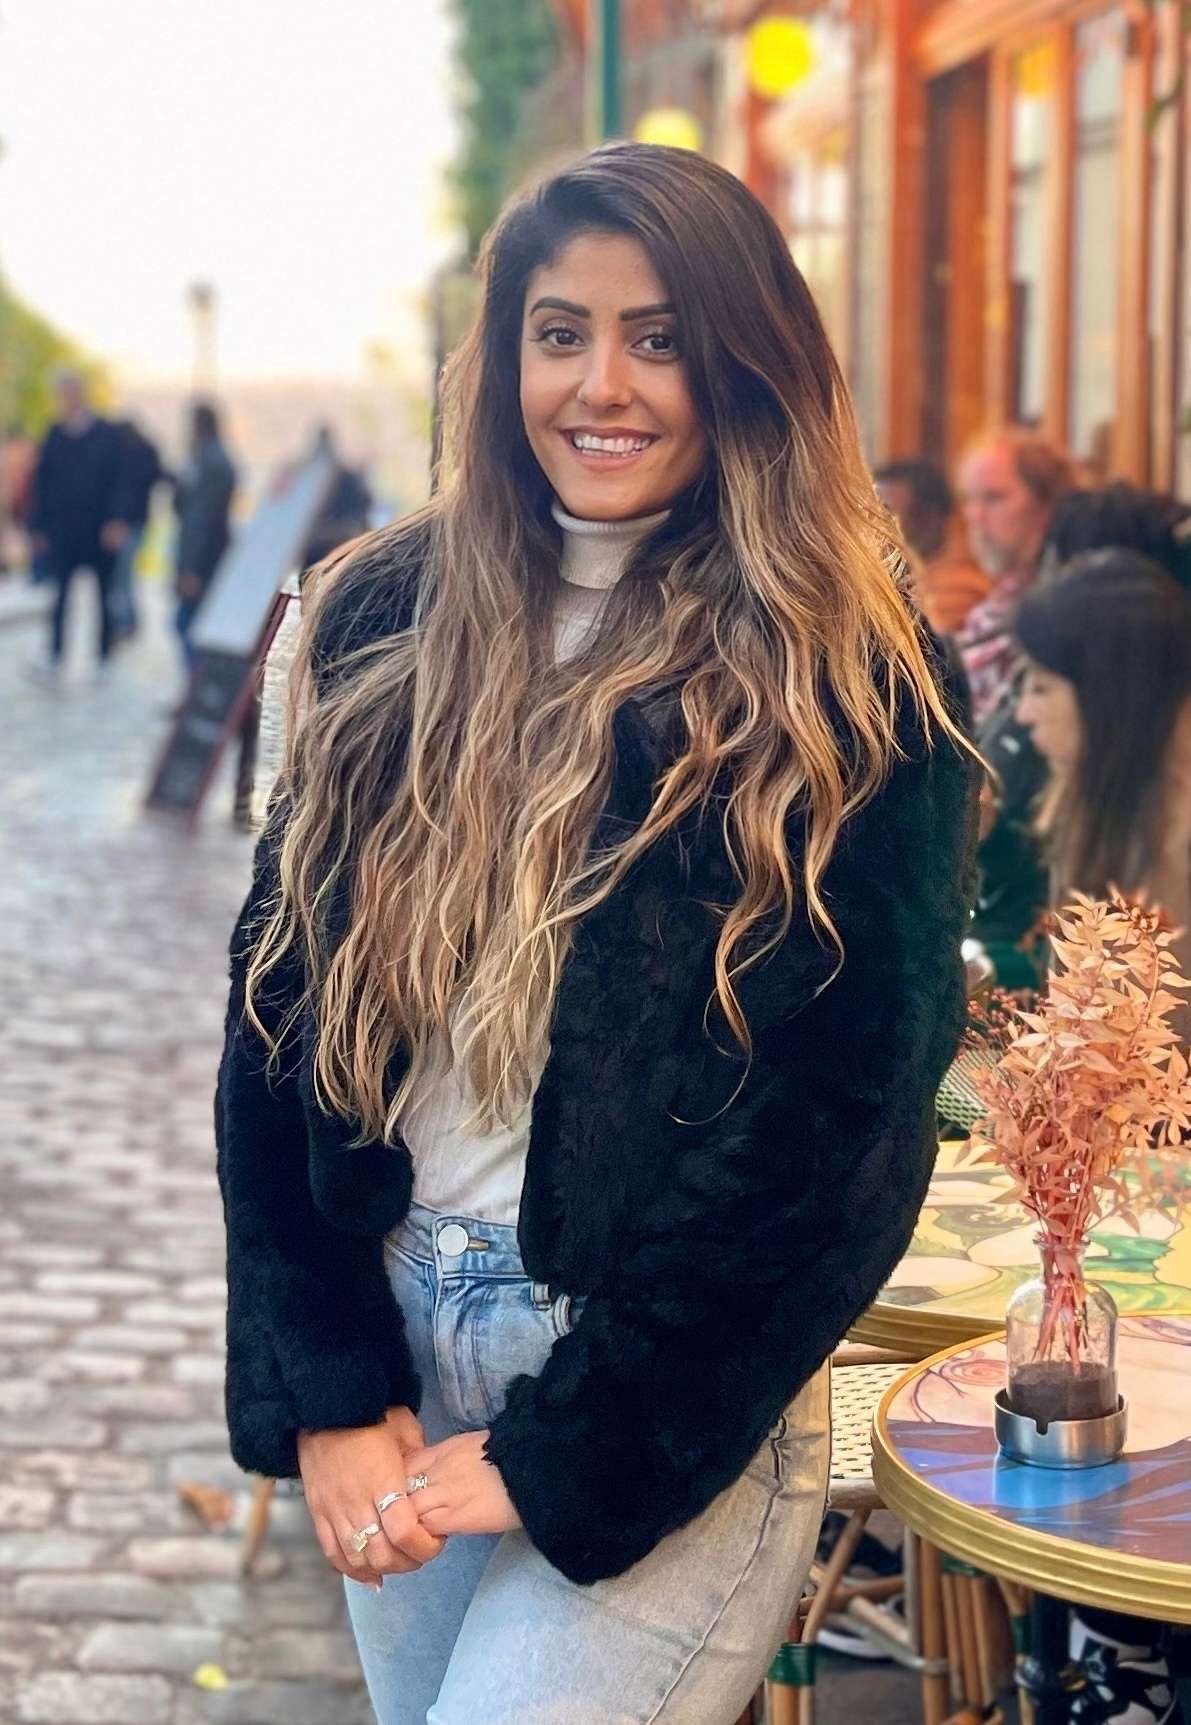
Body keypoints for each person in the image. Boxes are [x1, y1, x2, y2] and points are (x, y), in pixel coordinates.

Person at [216, 142, 976, 1725]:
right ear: (501, 359)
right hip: (399, 1323)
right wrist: (331, 1378)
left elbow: (836, 1142)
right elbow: (274, 1025)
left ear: (742, 359)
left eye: (657, 335)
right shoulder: (384, 613)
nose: (599, 383)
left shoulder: (852, 676)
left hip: (657, 1378)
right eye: (557, 331)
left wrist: (584, 1439)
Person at [1014, 552, 1191, 1725]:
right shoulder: (1107, 820)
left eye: (1042, 688)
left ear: (1108, 699)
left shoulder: (1172, 846)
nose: (1021, 714)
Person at [25, 369, 127, 680]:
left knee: (103, 595)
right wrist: (37, 528)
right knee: (60, 596)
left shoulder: (107, 434)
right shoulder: (54, 434)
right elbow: (41, 483)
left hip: (99, 530)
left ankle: (104, 657)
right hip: (63, 531)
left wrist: (117, 521)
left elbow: (120, 480)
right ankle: (56, 655)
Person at [873, 457, 990, 634]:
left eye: (887, 514)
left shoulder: (959, 592)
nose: (875, 525)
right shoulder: (897, 577)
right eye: (874, 514)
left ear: (931, 517)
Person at [172, 400, 236, 671]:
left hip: (203, 561)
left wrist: (191, 568)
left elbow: (200, 519)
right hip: (210, 555)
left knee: (188, 624)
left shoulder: (209, 463)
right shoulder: (211, 459)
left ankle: (195, 684)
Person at [108, 417, 165, 641]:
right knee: (126, 577)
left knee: (122, 578)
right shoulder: (147, 452)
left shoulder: (127, 458)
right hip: (140, 523)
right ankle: (128, 621)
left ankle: (127, 622)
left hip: (127, 525)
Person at [299, 423, 374, 569]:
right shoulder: (309, 481)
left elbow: (366, 503)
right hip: (316, 546)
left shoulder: (346, 477)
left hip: (345, 541)